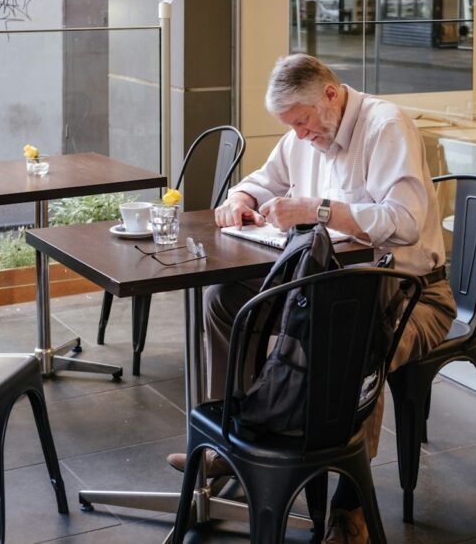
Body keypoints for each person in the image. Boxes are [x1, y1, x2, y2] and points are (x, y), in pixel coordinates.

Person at [168, 54, 457, 544]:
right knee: (224, 299)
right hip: (321, 288)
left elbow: (405, 222)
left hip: (413, 293)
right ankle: (234, 442)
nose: (299, 135)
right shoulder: (303, 134)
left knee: (355, 335)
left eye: (301, 122)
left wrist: (319, 210)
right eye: (290, 126)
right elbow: (260, 181)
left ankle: (350, 507)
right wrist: (241, 200)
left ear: (331, 93)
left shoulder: (386, 126)